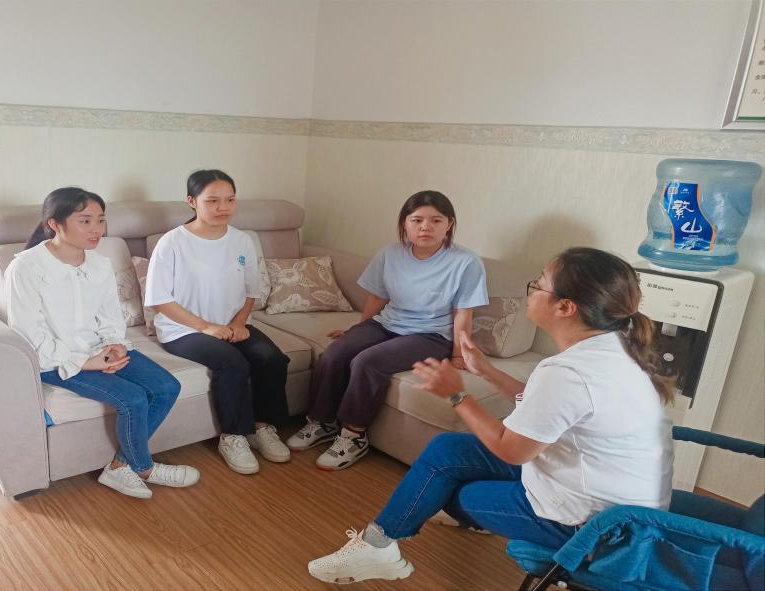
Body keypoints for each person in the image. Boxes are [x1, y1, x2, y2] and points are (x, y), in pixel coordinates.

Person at [307, 247, 674, 584]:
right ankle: (379, 547)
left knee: (453, 492)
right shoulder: (614, 349)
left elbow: (511, 450)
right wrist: (485, 370)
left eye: (539, 283)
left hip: (594, 529)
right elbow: (544, 407)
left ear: (566, 307)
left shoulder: (569, 372)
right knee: (448, 449)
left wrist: (456, 395)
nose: (531, 290)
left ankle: (385, 545)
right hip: (617, 505)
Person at [5, 187, 199, 500]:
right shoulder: (25, 268)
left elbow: (110, 316)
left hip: (100, 349)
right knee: (133, 398)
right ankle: (144, 467)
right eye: (85, 221)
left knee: (167, 387)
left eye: (100, 220)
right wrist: (86, 362)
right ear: (54, 223)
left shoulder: (99, 263)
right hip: (56, 360)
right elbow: (28, 334)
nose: (96, 229)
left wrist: (115, 344)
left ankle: (120, 466)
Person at [286, 190, 488, 470]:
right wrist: (358, 331)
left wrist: (457, 355)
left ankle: (354, 436)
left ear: (449, 224)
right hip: (387, 323)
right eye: (417, 220)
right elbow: (378, 297)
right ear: (405, 223)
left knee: (367, 362)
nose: (425, 227)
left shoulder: (465, 262)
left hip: (430, 335)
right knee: (335, 354)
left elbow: (463, 312)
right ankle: (322, 422)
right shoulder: (391, 253)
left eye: (436, 220)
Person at [146, 170, 292, 475]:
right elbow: (160, 300)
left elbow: (251, 291)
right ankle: (233, 436)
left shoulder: (242, 240)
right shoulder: (172, 243)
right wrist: (205, 327)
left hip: (230, 324)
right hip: (183, 329)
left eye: (230, 200)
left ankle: (261, 427)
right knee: (232, 362)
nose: (223, 207)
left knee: (272, 358)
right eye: (212, 200)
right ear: (192, 201)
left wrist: (240, 323)